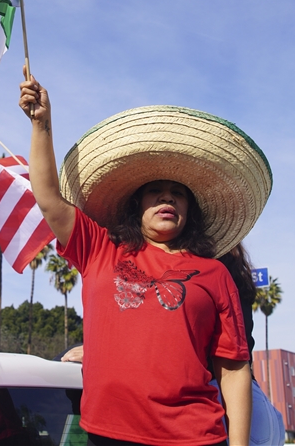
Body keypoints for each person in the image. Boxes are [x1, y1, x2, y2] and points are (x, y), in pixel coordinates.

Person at [20, 68, 273, 446]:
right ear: (136, 203)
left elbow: (234, 368)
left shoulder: (215, 274)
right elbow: (49, 199)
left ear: (191, 209)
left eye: (178, 193)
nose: (167, 198)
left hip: (194, 437)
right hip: (105, 436)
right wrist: (42, 125)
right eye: (156, 190)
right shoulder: (100, 249)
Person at [61, 243, 287, 446]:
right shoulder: (232, 269)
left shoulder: (206, 270)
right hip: (260, 409)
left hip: (223, 402)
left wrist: (104, 348)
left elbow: (176, 338)